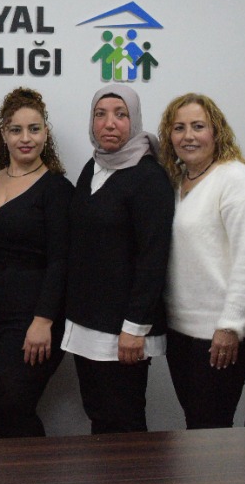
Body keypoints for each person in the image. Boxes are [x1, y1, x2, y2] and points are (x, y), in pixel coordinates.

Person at [63, 85, 172, 434]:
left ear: (134, 120)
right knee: (99, 414)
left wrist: (135, 327)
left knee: (124, 421)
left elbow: (153, 258)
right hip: (88, 323)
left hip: (124, 330)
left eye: (120, 115)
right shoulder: (92, 167)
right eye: (101, 114)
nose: (109, 123)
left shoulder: (149, 176)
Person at [156, 93, 245, 429]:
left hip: (221, 332)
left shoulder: (236, 179)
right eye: (179, 128)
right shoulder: (176, 181)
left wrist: (230, 325)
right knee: (196, 425)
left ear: (216, 132)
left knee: (211, 430)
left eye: (198, 126)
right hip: (180, 330)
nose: (188, 136)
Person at [0, 87, 73, 438]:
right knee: (1, 407)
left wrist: (43, 321)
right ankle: (8, 472)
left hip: (32, 316)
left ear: (46, 133)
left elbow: (61, 261)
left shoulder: (57, 189)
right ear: (4, 134)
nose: (25, 138)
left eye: (34, 129)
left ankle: (32, 471)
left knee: (15, 404)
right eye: (16, 130)